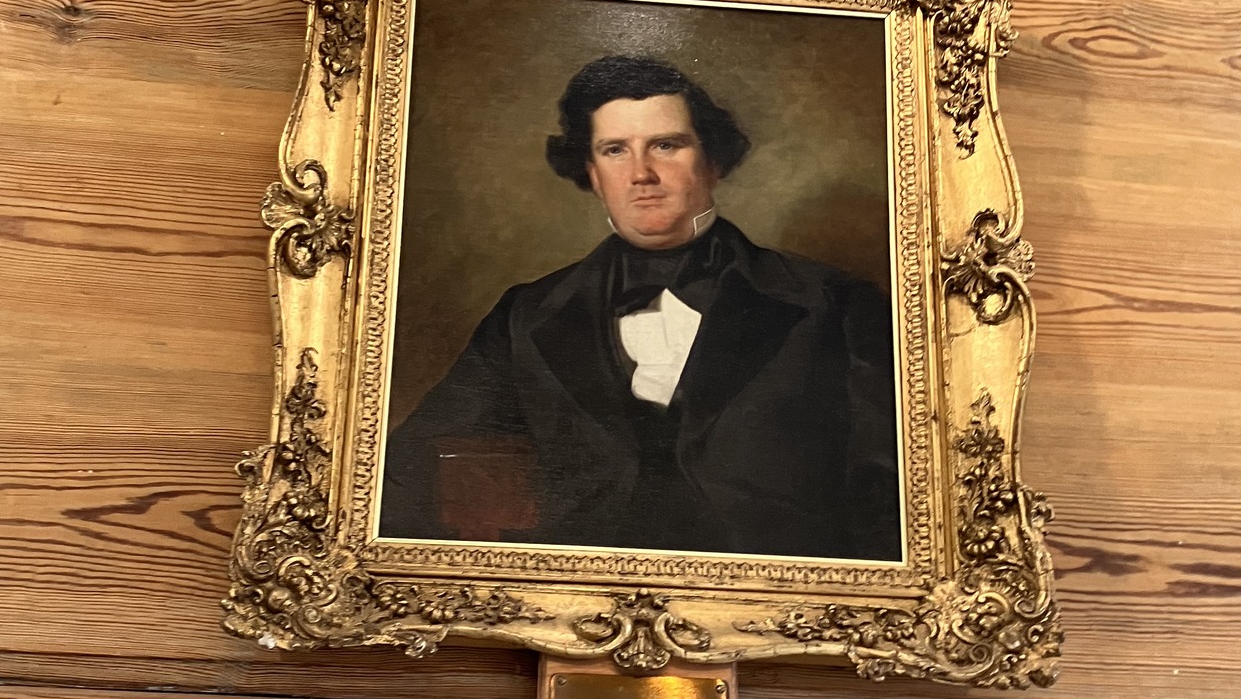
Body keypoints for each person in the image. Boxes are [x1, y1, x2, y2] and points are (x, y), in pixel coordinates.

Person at [379, 53, 901, 561]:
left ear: (713, 160)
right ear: (591, 171)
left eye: (666, 145)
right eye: (614, 150)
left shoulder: (832, 304)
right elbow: (413, 471)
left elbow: (895, 501)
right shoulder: (528, 315)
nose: (641, 173)